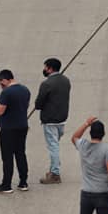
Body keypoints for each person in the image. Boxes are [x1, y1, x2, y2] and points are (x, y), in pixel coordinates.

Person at [0, 69, 30, 193]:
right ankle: (23, 182)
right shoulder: (25, 90)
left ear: (5, 80)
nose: (0, 85)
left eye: (0, 82)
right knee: (20, 154)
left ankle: (6, 184)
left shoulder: (6, 93)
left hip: (8, 128)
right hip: (22, 126)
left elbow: (0, 111)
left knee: (7, 157)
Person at [33, 57, 71, 185]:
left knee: (53, 146)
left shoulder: (47, 84)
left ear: (49, 68)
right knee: (55, 144)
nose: (44, 70)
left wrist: (38, 105)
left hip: (50, 120)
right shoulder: (66, 80)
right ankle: (53, 168)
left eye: (45, 67)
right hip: (62, 118)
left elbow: (39, 103)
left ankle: (55, 173)